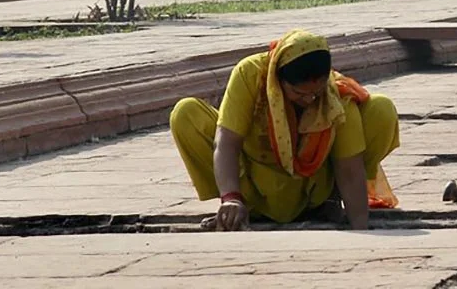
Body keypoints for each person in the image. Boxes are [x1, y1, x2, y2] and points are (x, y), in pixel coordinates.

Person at [169, 30, 400, 231]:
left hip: (311, 189)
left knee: (381, 109)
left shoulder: (333, 96)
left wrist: (360, 227)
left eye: (315, 93)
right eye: (299, 94)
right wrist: (231, 198)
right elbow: (226, 142)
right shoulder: (250, 74)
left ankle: (328, 202)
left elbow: (349, 168)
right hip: (254, 185)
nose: (309, 100)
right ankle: (238, 209)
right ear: (278, 80)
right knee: (186, 112)